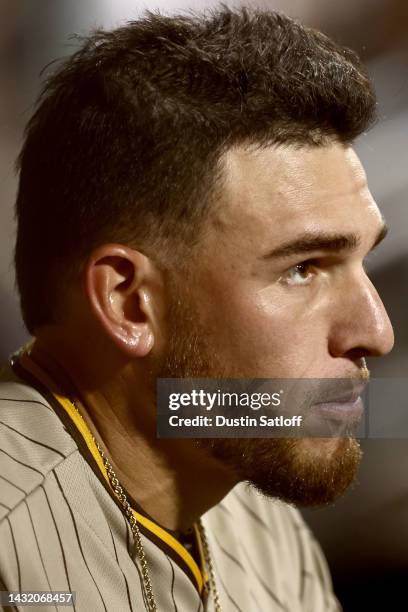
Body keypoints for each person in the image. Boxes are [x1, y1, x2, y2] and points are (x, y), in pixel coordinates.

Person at [0, 6, 394, 611]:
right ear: (129, 303)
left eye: (361, 261)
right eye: (302, 269)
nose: (375, 332)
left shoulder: (264, 526)